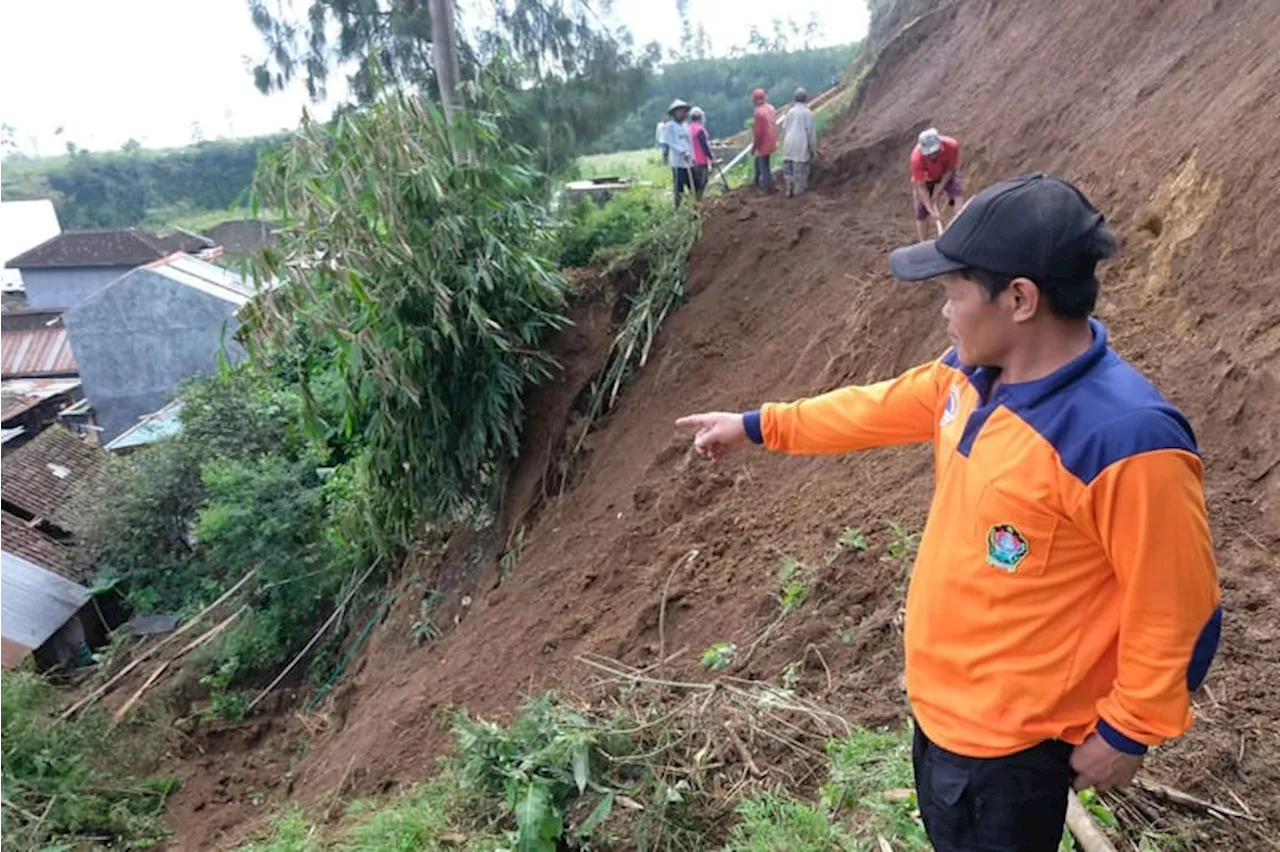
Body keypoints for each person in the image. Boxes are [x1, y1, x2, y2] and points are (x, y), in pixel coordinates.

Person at [677, 173, 1221, 852]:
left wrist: (1129, 731)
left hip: (1015, 754)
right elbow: (871, 408)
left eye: (952, 292)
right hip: (942, 720)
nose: (944, 311)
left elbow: (1179, 606)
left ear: (1019, 298)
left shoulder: (1123, 439)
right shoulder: (968, 380)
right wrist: (757, 425)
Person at [912, 127, 965, 241]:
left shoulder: (952, 145)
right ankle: (923, 244)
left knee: (957, 192)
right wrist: (932, 212)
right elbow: (921, 188)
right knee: (921, 211)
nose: (933, 156)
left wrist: (939, 190)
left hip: (946, 172)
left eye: (935, 152)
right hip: (926, 180)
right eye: (929, 153)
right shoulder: (916, 158)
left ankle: (961, 232)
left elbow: (950, 169)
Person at [780, 87, 817, 197]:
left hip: (788, 143)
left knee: (788, 169)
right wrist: (813, 149)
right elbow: (811, 133)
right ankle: (798, 192)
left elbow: (784, 128)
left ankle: (789, 187)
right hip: (801, 144)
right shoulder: (808, 113)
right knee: (800, 170)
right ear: (806, 99)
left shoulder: (790, 112)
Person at [662, 100, 695, 207]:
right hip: (678, 162)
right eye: (679, 111)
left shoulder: (686, 126)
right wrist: (682, 151)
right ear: (674, 113)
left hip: (688, 161)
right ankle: (677, 207)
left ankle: (693, 206)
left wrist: (692, 155)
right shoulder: (670, 126)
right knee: (679, 187)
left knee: (692, 185)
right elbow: (671, 142)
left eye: (683, 111)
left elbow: (690, 142)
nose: (681, 113)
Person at [750, 88, 777, 193]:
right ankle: (757, 181)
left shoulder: (759, 113)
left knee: (763, 165)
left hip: (763, 142)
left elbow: (758, 133)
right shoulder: (770, 108)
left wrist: (755, 146)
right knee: (763, 162)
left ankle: (768, 187)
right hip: (771, 139)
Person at [689, 107, 715, 202]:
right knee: (702, 182)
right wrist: (711, 158)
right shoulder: (700, 130)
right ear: (700, 118)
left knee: (695, 184)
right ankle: (698, 201)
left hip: (692, 161)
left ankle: (695, 201)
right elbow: (705, 146)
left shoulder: (688, 129)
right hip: (701, 160)